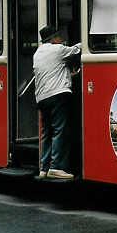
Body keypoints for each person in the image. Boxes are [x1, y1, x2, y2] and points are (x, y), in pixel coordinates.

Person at [33, 25, 81, 179]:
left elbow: (53, 70)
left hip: (41, 98)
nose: (62, 39)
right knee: (60, 130)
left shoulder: (37, 53)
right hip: (57, 95)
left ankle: (44, 168)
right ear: (53, 38)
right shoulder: (58, 49)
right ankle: (57, 166)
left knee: (46, 132)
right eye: (59, 36)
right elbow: (78, 49)